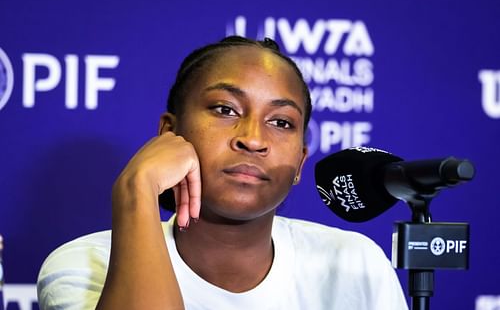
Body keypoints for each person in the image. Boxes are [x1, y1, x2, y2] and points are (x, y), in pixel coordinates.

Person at [37, 36, 408, 310]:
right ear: (169, 134)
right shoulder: (84, 264)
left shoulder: (355, 263)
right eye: (225, 110)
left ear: (299, 164)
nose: (253, 139)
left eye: (281, 121)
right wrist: (138, 188)